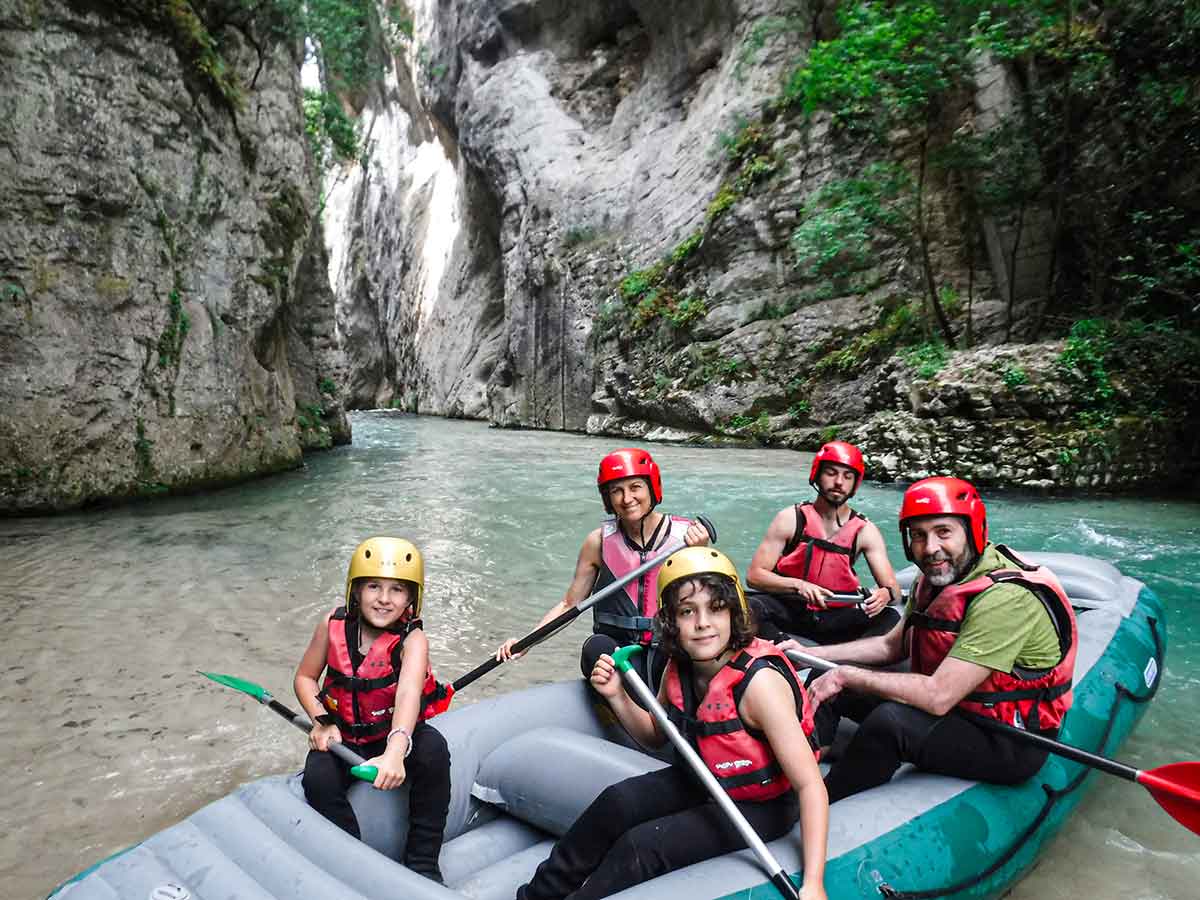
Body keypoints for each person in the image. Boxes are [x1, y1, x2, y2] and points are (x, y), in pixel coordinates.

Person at [516, 547, 829, 900]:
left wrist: (814, 882)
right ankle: (536, 896)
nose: (702, 623)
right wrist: (617, 695)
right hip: (705, 778)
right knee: (616, 802)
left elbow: (810, 786)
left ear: (734, 611)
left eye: (716, 608)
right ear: (670, 620)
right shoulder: (678, 667)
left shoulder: (759, 686)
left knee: (642, 846)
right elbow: (654, 735)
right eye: (686, 611)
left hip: (764, 805)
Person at [781, 477, 1077, 803]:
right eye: (919, 535)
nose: (930, 547)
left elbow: (938, 697)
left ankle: (818, 802)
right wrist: (810, 654)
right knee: (828, 675)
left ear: (973, 529)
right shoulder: (935, 579)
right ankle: (805, 767)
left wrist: (847, 675)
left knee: (889, 723)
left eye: (943, 532)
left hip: (1006, 738)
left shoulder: (1006, 598)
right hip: (960, 707)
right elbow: (891, 646)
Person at [294, 537, 452, 882]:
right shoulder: (331, 625)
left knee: (434, 750)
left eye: (397, 589)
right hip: (344, 735)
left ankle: (423, 860)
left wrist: (395, 753)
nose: (384, 598)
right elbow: (305, 678)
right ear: (356, 589)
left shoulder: (412, 640)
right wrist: (320, 722)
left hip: (392, 733)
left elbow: (409, 694)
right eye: (373, 586)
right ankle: (354, 858)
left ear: (412, 598)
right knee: (318, 777)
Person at [496, 447, 709, 690]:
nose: (627, 499)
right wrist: (526, 642)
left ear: (652, 488)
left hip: (668, 647)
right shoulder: (597, 542)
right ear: (608, 499)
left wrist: (699, 552)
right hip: (617, 653)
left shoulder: (688, 537)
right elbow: (569, 604)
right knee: (594, 648)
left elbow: (707, 603)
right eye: (616, 491)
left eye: (635, 487)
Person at [747, 441, 901, 645]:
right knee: (748, 607)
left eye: (847, 476)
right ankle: (785, 651)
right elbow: (754, 576)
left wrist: (884, 593)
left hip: (836, 616)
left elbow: (894, 590)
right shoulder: (791, 518)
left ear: (855, 483)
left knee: (890, 617)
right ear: (817, 475)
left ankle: (840, 660)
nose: (839, 482)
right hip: (791, 608)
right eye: (831, 473)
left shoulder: (865, 530)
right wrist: (798, 585)